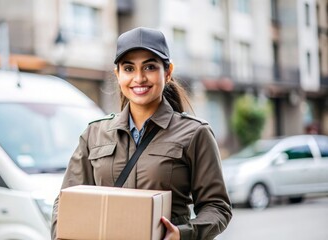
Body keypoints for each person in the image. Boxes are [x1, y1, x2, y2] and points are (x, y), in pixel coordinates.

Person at [51, 27, 232, 240]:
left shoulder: (195, 133)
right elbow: (66, 202)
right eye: (129, 68)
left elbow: (218, 207)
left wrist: (182, 234)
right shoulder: (94, 133)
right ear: (117, 74)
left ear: (168, 72)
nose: (139, 78)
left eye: (149, 67)